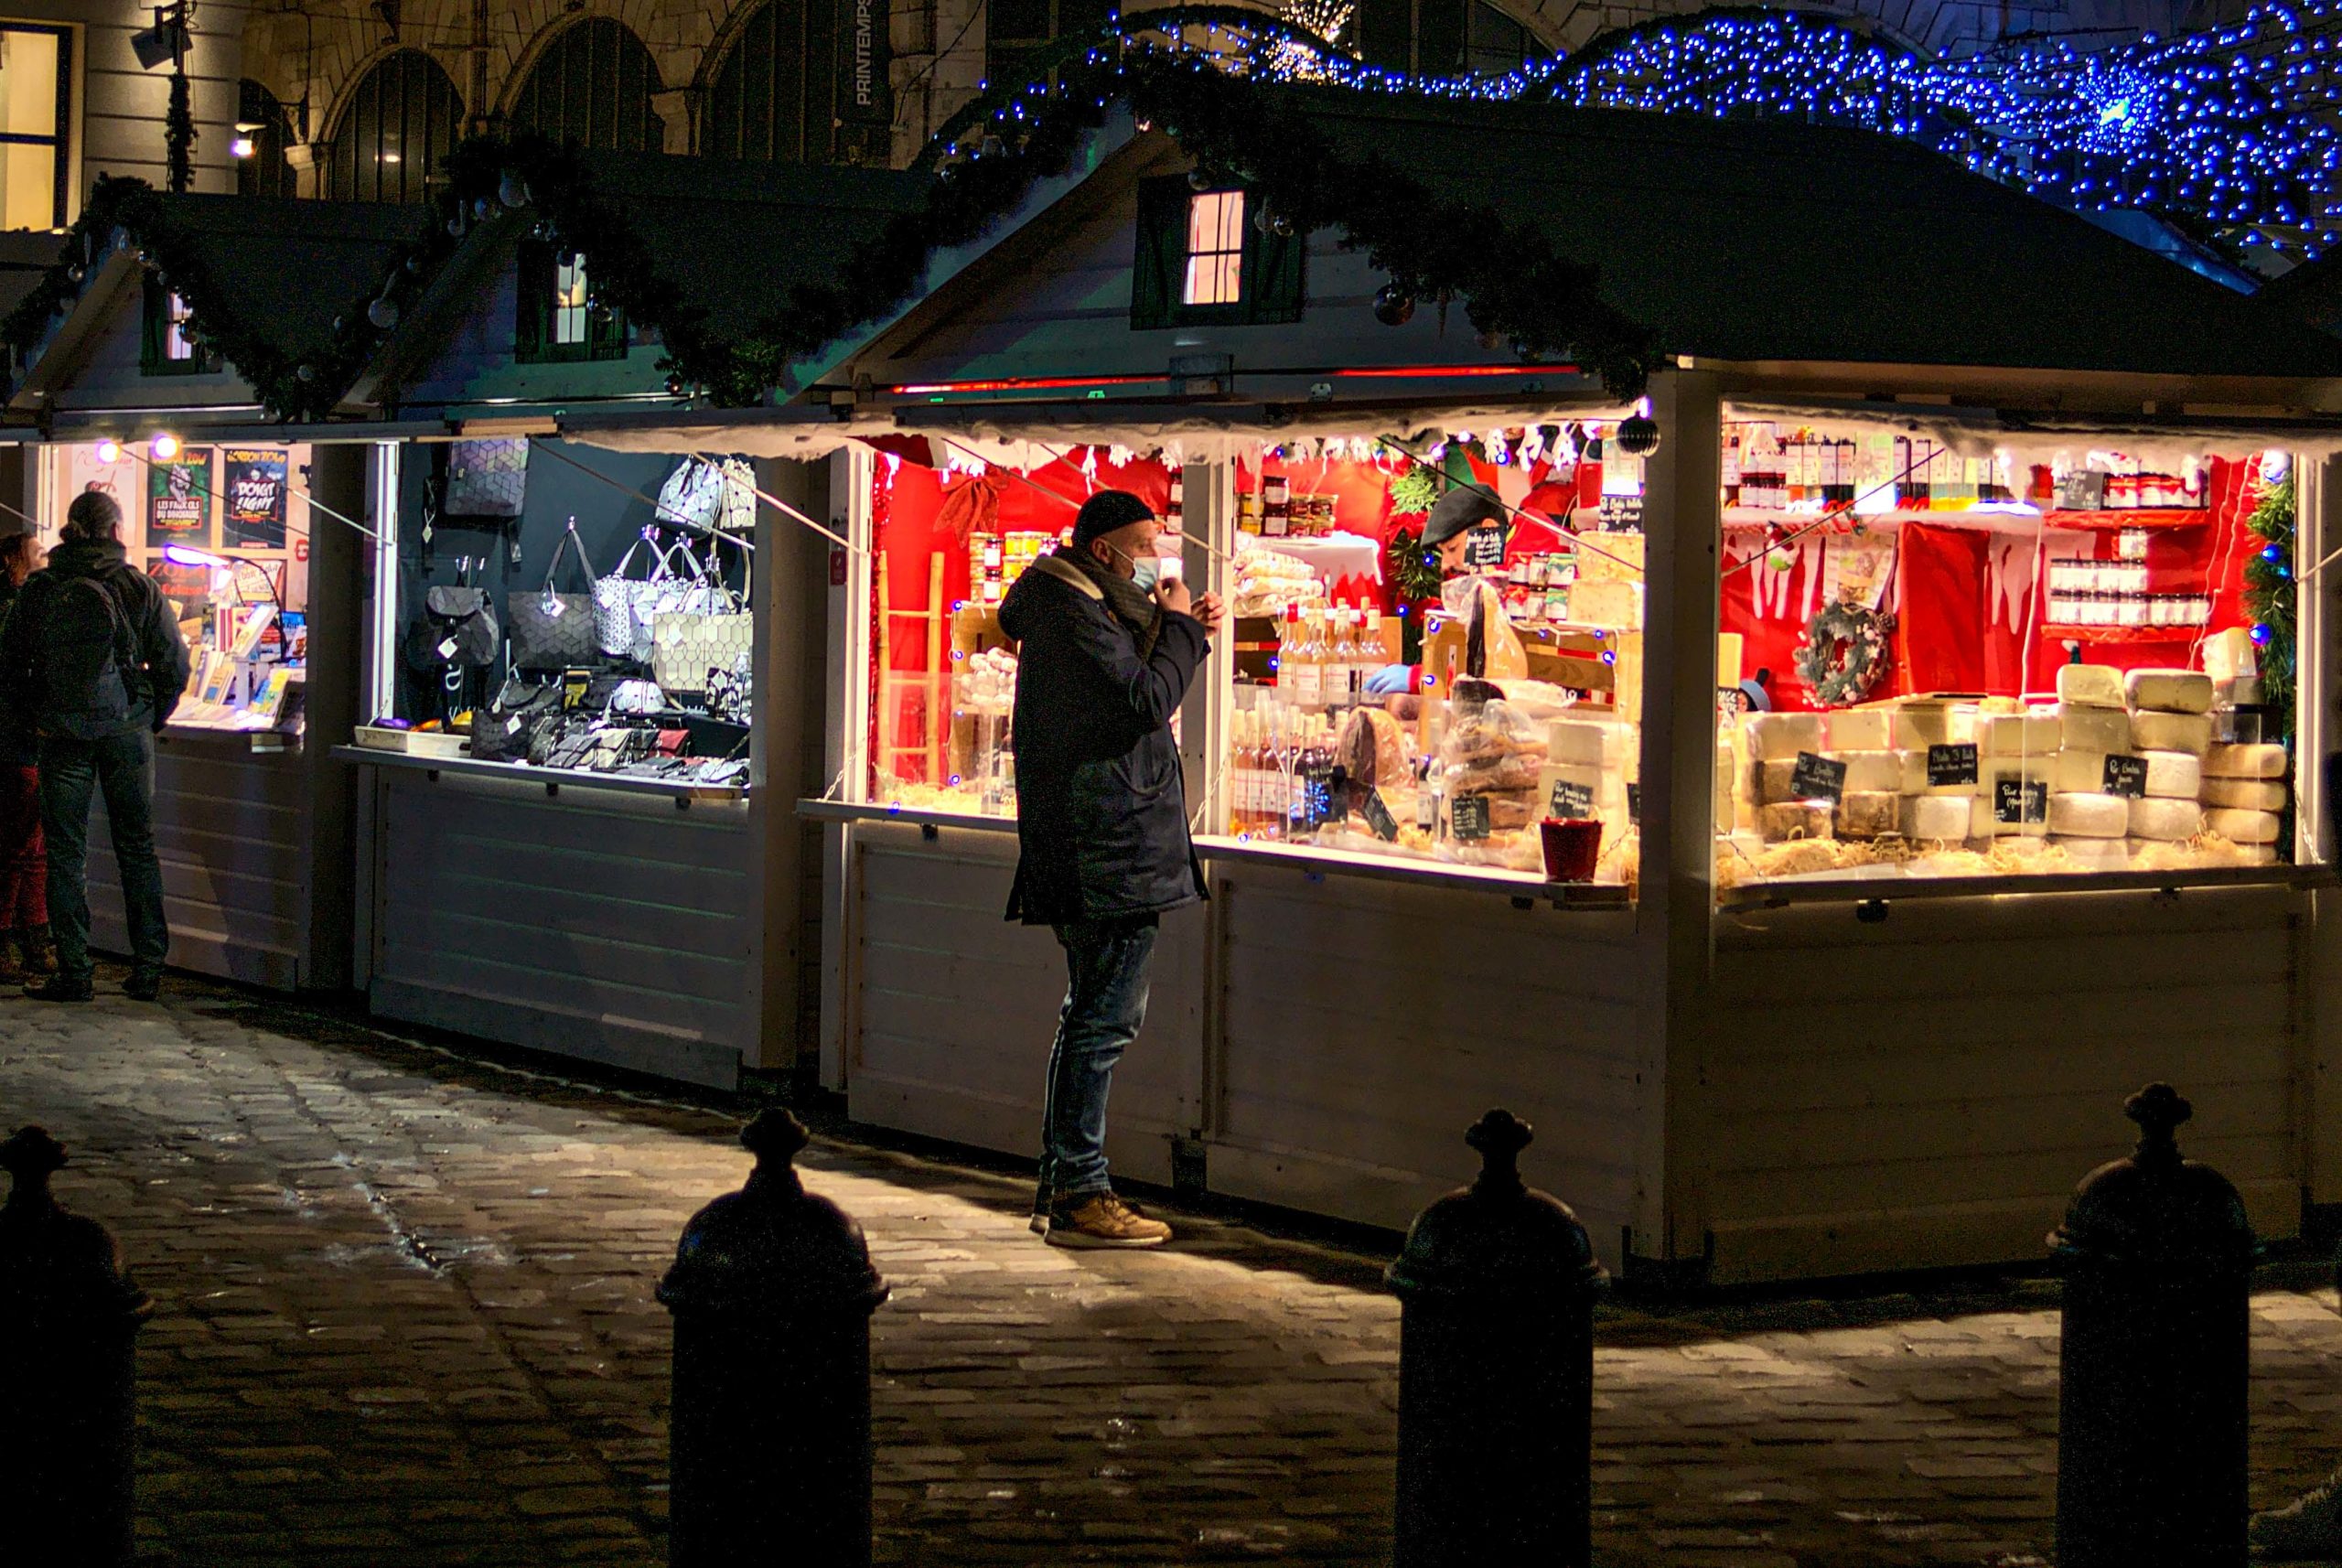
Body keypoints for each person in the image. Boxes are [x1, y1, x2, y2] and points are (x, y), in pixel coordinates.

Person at [997, 489, 1220, 1248]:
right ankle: (1081, 1193)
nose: (1152, 558)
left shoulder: (1086, 609)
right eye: (1142, 544)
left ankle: (1063, 1186)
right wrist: (1182, 630)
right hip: (1104, 847)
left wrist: (1181, 628)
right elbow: (1142, 697)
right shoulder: (1071, 615)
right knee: (1103, 1022)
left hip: (1103, 842)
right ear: (1103, 551)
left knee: (1090, 1014)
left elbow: (1132, 679)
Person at [0, 490, 189, 1002]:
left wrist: (34, 722)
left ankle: (75, 972)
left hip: (61, 736)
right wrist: (150, 716)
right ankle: (148, 968)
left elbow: (10, 668)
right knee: (136, 849)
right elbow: (175, 665)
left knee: (66, 854)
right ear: (115, 530)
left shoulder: (40, 589)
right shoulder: (138, 587)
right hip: (126, 733)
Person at [0, 523, 53, 983]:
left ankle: (33, 938)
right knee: (19, 846)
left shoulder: (27, 607)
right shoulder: (15, 612)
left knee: (31, 846)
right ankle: (20, 939)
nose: (44, 558)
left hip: (27, 741)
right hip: (17, 742)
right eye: (36, 552)